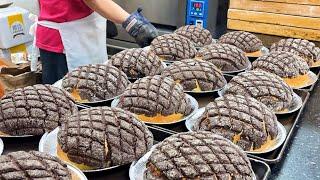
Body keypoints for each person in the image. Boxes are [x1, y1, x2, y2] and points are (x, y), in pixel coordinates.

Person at [34, 0, 157, 84]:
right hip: (65, 41)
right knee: (70, 99)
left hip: (80, 30)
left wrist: (107, 13)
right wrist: (132, 23)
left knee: (95, 86)